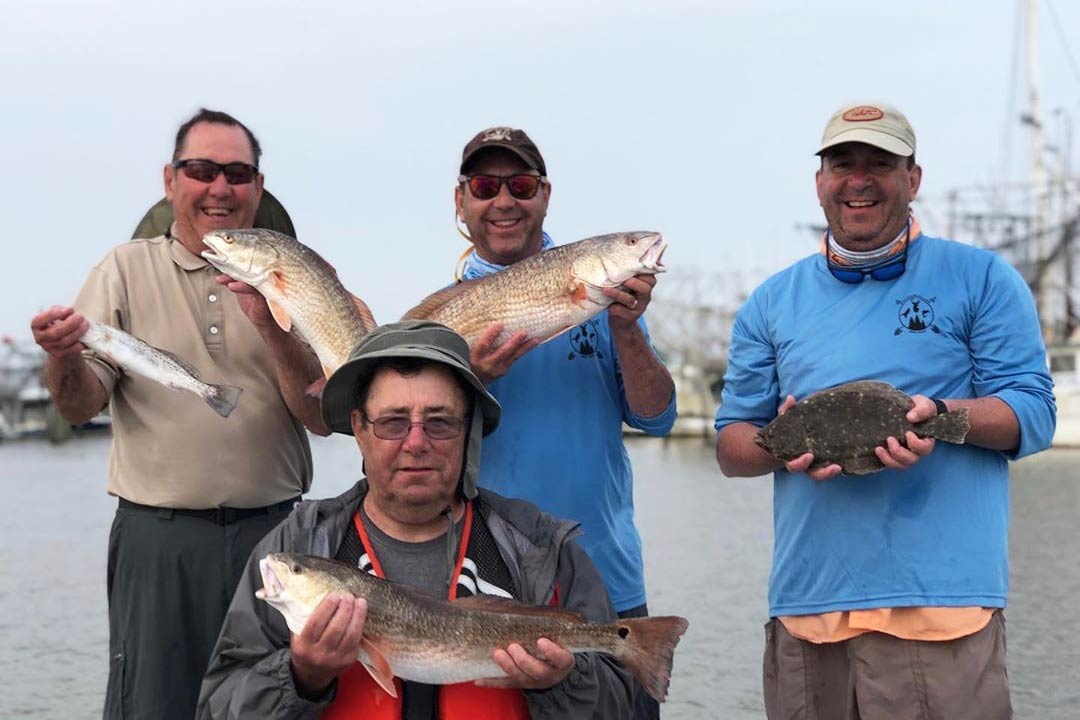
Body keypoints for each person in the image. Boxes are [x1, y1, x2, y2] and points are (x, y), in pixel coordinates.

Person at [714, 102, 1057, 719]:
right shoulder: (770, 302)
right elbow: (731, 445)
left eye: (881, 163)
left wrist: (941, 416)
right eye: (843, 164)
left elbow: (1032, 414)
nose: (860, 178)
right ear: (820, 182)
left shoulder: (981, 278)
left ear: (913, 178)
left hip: (943, 610)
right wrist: (785, 448)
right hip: (807, 609)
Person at [29, 108, 328, 720]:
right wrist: (61, 358)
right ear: (170, 180)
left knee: (275, 706)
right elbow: (80, 402)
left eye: (237, 173)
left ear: (258, 186)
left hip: (276, 542)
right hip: (156, 541)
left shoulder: (292, 277)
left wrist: (272, 329)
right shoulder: (123, 270)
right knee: (152, 705)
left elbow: (323, 419)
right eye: (201, 169)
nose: (220, 187)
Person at [197, 320, 636, 719]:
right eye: (392, 422)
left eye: (440, 422)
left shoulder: (541, 547)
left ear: (469, 430)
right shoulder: (302, 542)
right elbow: (219, 708)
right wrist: (299, 675)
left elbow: (621, 707)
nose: (416, 442)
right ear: (360, 429)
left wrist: (563, 684)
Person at [448, 126, 676, 718]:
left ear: (545, 195)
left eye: (521, 185)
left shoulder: (605, 306)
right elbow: (403, 442)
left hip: (606, 579)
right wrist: (469, 380)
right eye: (485, 185)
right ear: (461, 201)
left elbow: (657, 419)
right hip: (484, 591)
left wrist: (627, 329)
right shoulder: (443, 319)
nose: (504, 200)